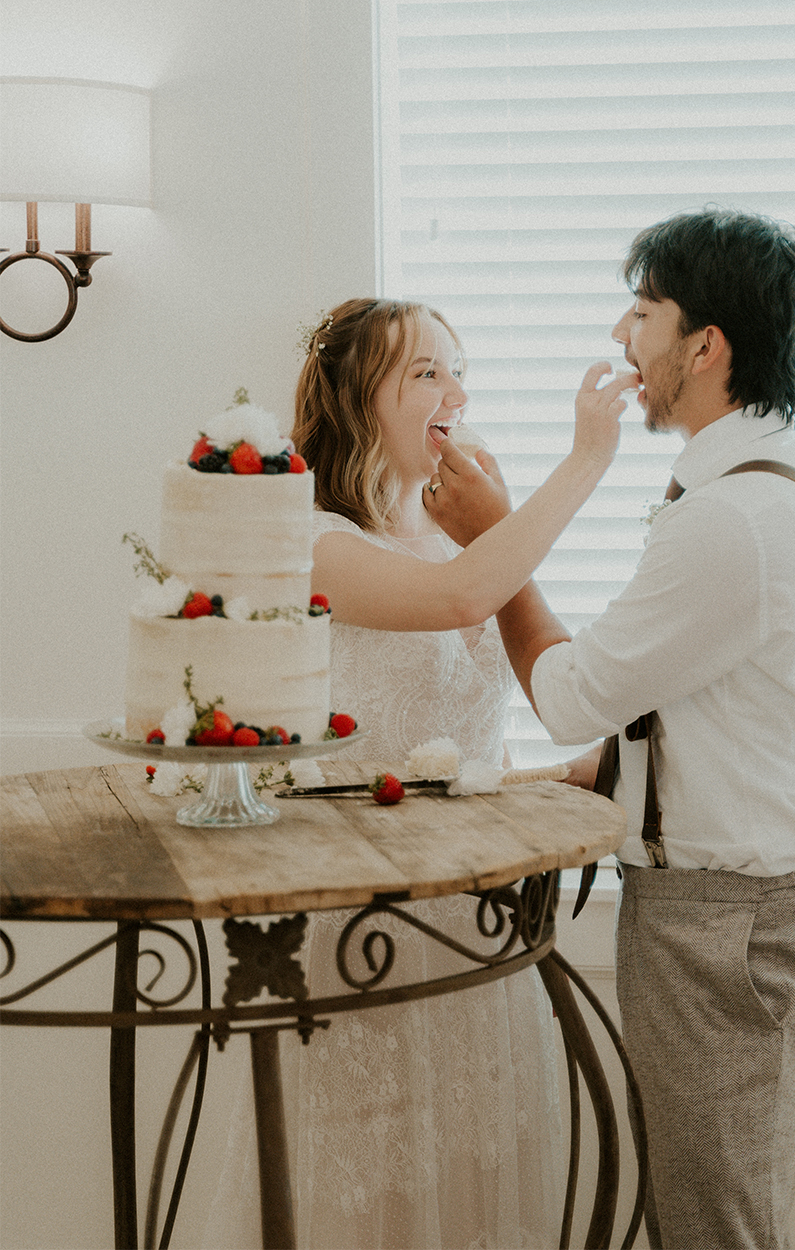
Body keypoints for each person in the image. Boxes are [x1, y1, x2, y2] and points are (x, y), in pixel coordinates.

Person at [427, 209, 795, 1250]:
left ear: (704, 347)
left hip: (727, 923)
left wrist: (494, 544)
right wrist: (593, 776)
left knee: (714, 1228)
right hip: (732, 911)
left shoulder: (730, 519)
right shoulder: (748, 489)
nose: (625, 337)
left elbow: (575, 690)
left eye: (644, 312)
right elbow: (701, 701)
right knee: (703, 1215)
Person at [207, 296, 636, 1250]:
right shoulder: (315, 540)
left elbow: (480, 721)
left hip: (476, 925)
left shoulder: (458, 537)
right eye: (428, 373)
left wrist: (555, 776)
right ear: (364, 397)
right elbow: (459, 601)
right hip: (364, 926)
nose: (459, 393)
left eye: (459, 369)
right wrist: (585, 463)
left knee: (473, 1189)